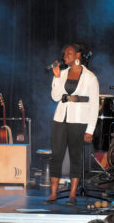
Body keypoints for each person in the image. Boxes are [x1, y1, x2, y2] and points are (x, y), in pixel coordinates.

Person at [44, 43, 99, 205]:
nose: (65, 56)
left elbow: (94, 105)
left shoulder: (90, 77)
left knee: (75, 157)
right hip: (60, 119)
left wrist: (90, 129)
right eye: (64, 54)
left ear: (78, 55)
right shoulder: (62, 73)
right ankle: (53, 194)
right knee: (56, 156)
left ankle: (73, 195)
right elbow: (55, 97)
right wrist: (56, 77)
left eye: (69, 53)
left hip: (79, 121)